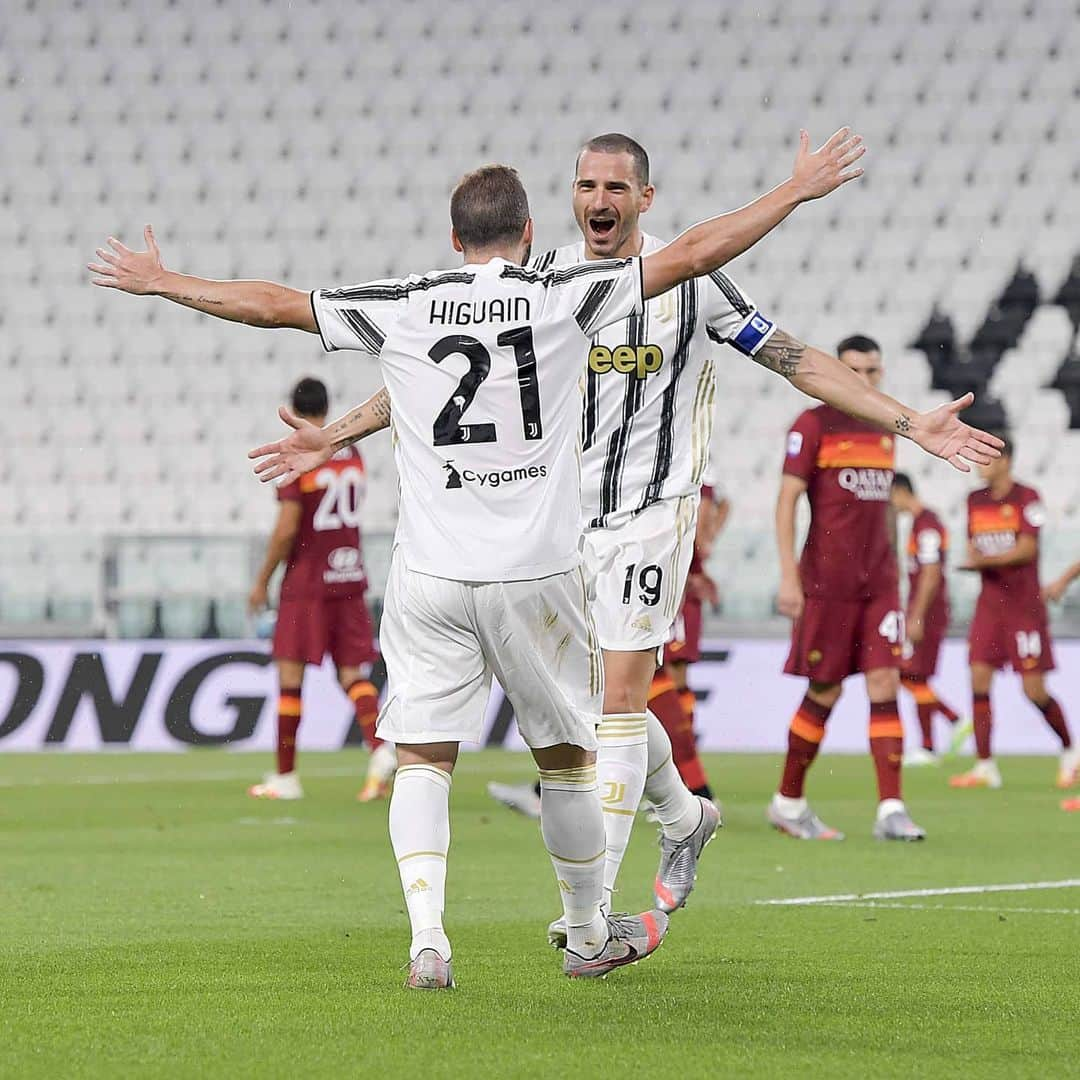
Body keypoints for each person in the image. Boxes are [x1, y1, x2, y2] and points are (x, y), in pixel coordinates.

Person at [89, 142, 1001, 986]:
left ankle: (588, 922)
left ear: (645, 200)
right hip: (563, 528)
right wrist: (334, 434)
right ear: (557, 208)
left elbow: (799, 360)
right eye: (585, 186)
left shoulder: (695, 285)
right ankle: (681, 817)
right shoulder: (551, 283)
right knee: (593, 713)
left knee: (609, 709)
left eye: (616, 188)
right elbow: (432, 375)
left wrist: (902, 417)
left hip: (650, 513)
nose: (599, 201)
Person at [768, 335, 926, 842]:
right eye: (855, 370)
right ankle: (788, 801)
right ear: (837, 372)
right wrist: (788, 575)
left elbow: (885, 516)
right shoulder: (811, 424)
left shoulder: (886, 427)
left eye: (874, 371)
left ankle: (891, 809)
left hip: (880, 586)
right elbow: (787, 501)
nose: (865, 380)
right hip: (827, 584)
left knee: (885, 683)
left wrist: (897, 572)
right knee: (826, 689)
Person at [246, 376, 395, 803]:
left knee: (290, 677)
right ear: (327, 409)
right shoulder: (352, 454)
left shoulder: (301, 457)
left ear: (293, 407)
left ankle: (286, 777)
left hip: (308, 582)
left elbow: (287, 528)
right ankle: (380, 748)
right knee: (353, 675)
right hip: (349, 576)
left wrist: (262, 581)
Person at [950, 436, 1079, 791]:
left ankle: (1071, 752)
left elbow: (1026, 549)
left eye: (985, 458)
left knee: (1034, 690)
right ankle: (985, 765)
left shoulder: (1028, 498)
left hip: (1024, 609)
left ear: (1005, 460)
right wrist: (977, 558)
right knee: (978, 679)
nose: (979, 465)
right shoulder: (974, 501)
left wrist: (983, 560)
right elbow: (973, 544)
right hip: (989, 606)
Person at [889, 472, 968, 764]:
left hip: (929, 612)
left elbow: (932, 574)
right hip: (921, 610)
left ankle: (928, 745)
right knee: (906, 674)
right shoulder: (918, 526)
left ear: (900, 491)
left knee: (913, 674)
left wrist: (918, 616)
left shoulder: (928, 525)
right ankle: (952, 720)